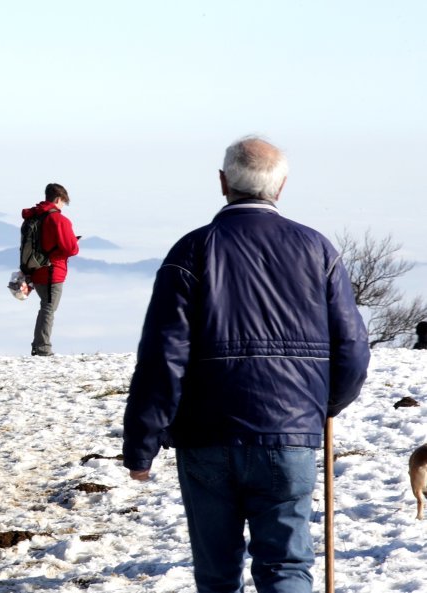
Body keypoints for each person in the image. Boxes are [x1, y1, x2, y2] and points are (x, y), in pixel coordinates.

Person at [123, 136, 371, 593]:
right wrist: (321, 406)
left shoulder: (191, 251)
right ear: (282, 186)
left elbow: (162, 356)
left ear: (223, 183)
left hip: (206, 435)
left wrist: (142, 443)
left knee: (217, 574)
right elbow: (353, 348)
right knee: (287, 568)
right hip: (290, 433)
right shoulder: (317, 250)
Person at [21, 183, 79, 356]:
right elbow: (71, 248)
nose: (62, 207)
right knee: (48, 308)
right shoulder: (59, 220)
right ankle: (42, 347)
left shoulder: (33, 217)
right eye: (63, 203)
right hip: (53, 271)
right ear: (59, 199)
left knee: (46, 306)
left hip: (35, 269)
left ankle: (40, 345)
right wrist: (75, 243)